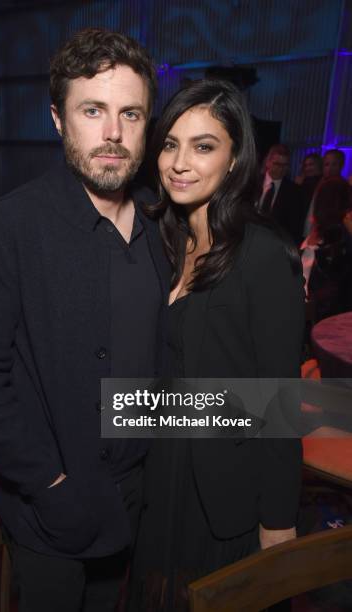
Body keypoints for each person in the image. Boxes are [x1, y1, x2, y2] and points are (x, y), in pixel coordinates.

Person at [0, 28, 170, 612]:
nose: (113, 133)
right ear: (57, 119)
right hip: (54, 507)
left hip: (140, 497)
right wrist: (49, 484)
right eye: (93, 110)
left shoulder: (157, 229)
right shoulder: (6, 230)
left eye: (131, 113)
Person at [127, 79, 305, 612]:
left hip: (227, 489)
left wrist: (278, 524)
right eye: (169, 144)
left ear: (234, 160)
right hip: (162, 473)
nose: (180, 162)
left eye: (203, 146)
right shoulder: (167, 239)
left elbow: (281, 405)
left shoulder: (265, 255)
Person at [301, 177, 352, 320]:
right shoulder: (326, 233)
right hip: (311, 314)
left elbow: (333, 291)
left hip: (323, 319)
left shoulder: (338, 238)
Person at [259, 143, 305, 245]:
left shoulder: (295, 191)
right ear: (268, 162)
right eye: (277, 164)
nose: (281, 168)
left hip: (276, 245)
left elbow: (294, 226)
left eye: (285, 165)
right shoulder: (252, 183)